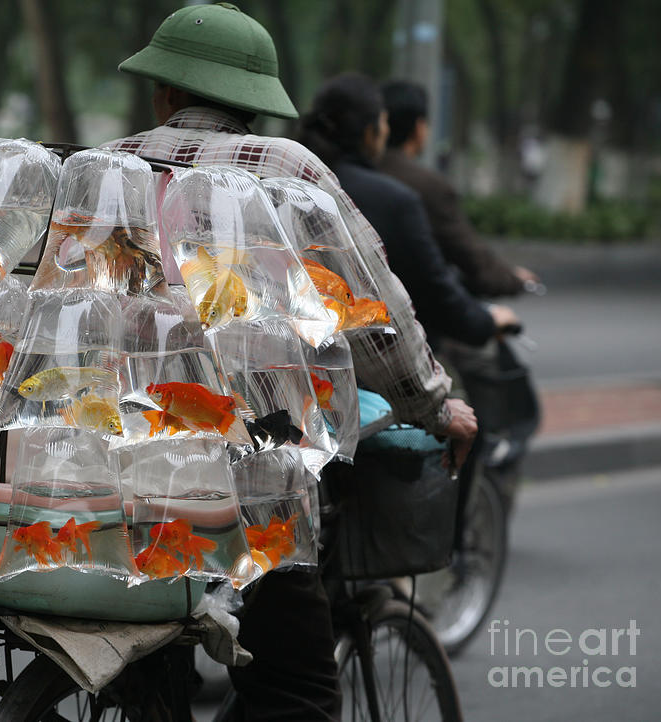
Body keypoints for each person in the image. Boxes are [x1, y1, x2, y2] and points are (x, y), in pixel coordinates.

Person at [104, 5, 477, 720]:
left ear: (163, 94)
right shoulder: (287, 170)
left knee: (147, 666)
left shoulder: (108, 165)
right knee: (296, 686)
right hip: (253, 474)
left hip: (111, 463)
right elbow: (371, 313)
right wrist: (435, 404)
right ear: (254, 104)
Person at [297, 72, 520, 351]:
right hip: (376, 353)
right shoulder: (395, 200)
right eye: (383, 121)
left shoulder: (294, 181)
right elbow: (434, 287)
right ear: (371, 131)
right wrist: (485, 322)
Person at [377, 80, 538, 298]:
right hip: (416, 311)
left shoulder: (344, 175)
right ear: (419, 127)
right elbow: (469, 255)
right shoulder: (428, 186)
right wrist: (510, 279)